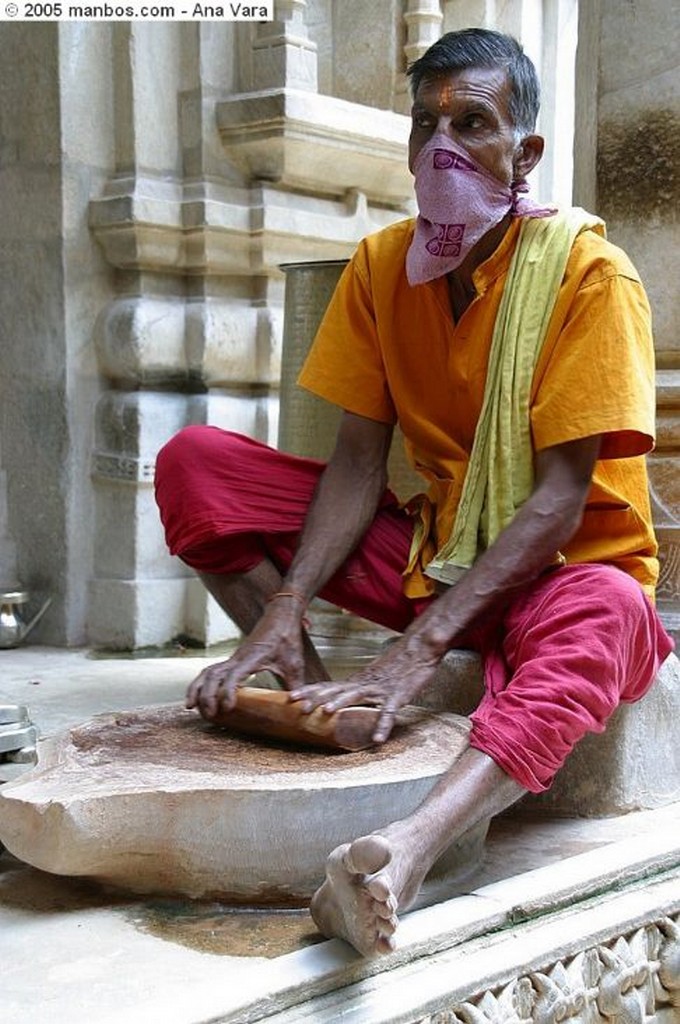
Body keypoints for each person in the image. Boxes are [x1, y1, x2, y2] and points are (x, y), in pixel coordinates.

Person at [154, 28, 674, 957]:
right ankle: (313, 703)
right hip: (439, 561)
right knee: (196, 460)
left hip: (564, 570)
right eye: (424, 124)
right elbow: (357, 462)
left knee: (610, 613)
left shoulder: (594, 276)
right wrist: (283, 606)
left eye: (471, 123)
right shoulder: (383, 265)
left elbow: (560, 500)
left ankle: (400, 855)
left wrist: (419, 650)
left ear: (526, 154)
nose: (441, 147)